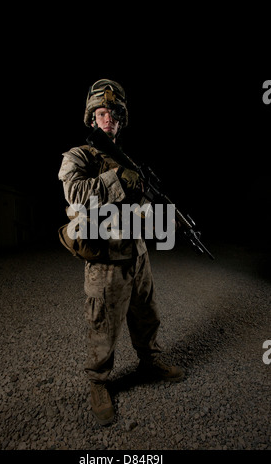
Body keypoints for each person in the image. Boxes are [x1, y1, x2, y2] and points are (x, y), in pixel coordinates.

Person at [58, 79, 184, 426]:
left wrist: (161, 214)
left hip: (136, 253)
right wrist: (119, 179)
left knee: (147, 314)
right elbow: (76, 194)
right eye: (101, 112)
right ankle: (98, 382)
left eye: (113, 113)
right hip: (105, 258)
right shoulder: (79, 156)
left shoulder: (129, 160)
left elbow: (141, 206)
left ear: (121, 118)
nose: (108, 119)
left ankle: (150, 360)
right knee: (103, 327)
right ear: (91, 118)